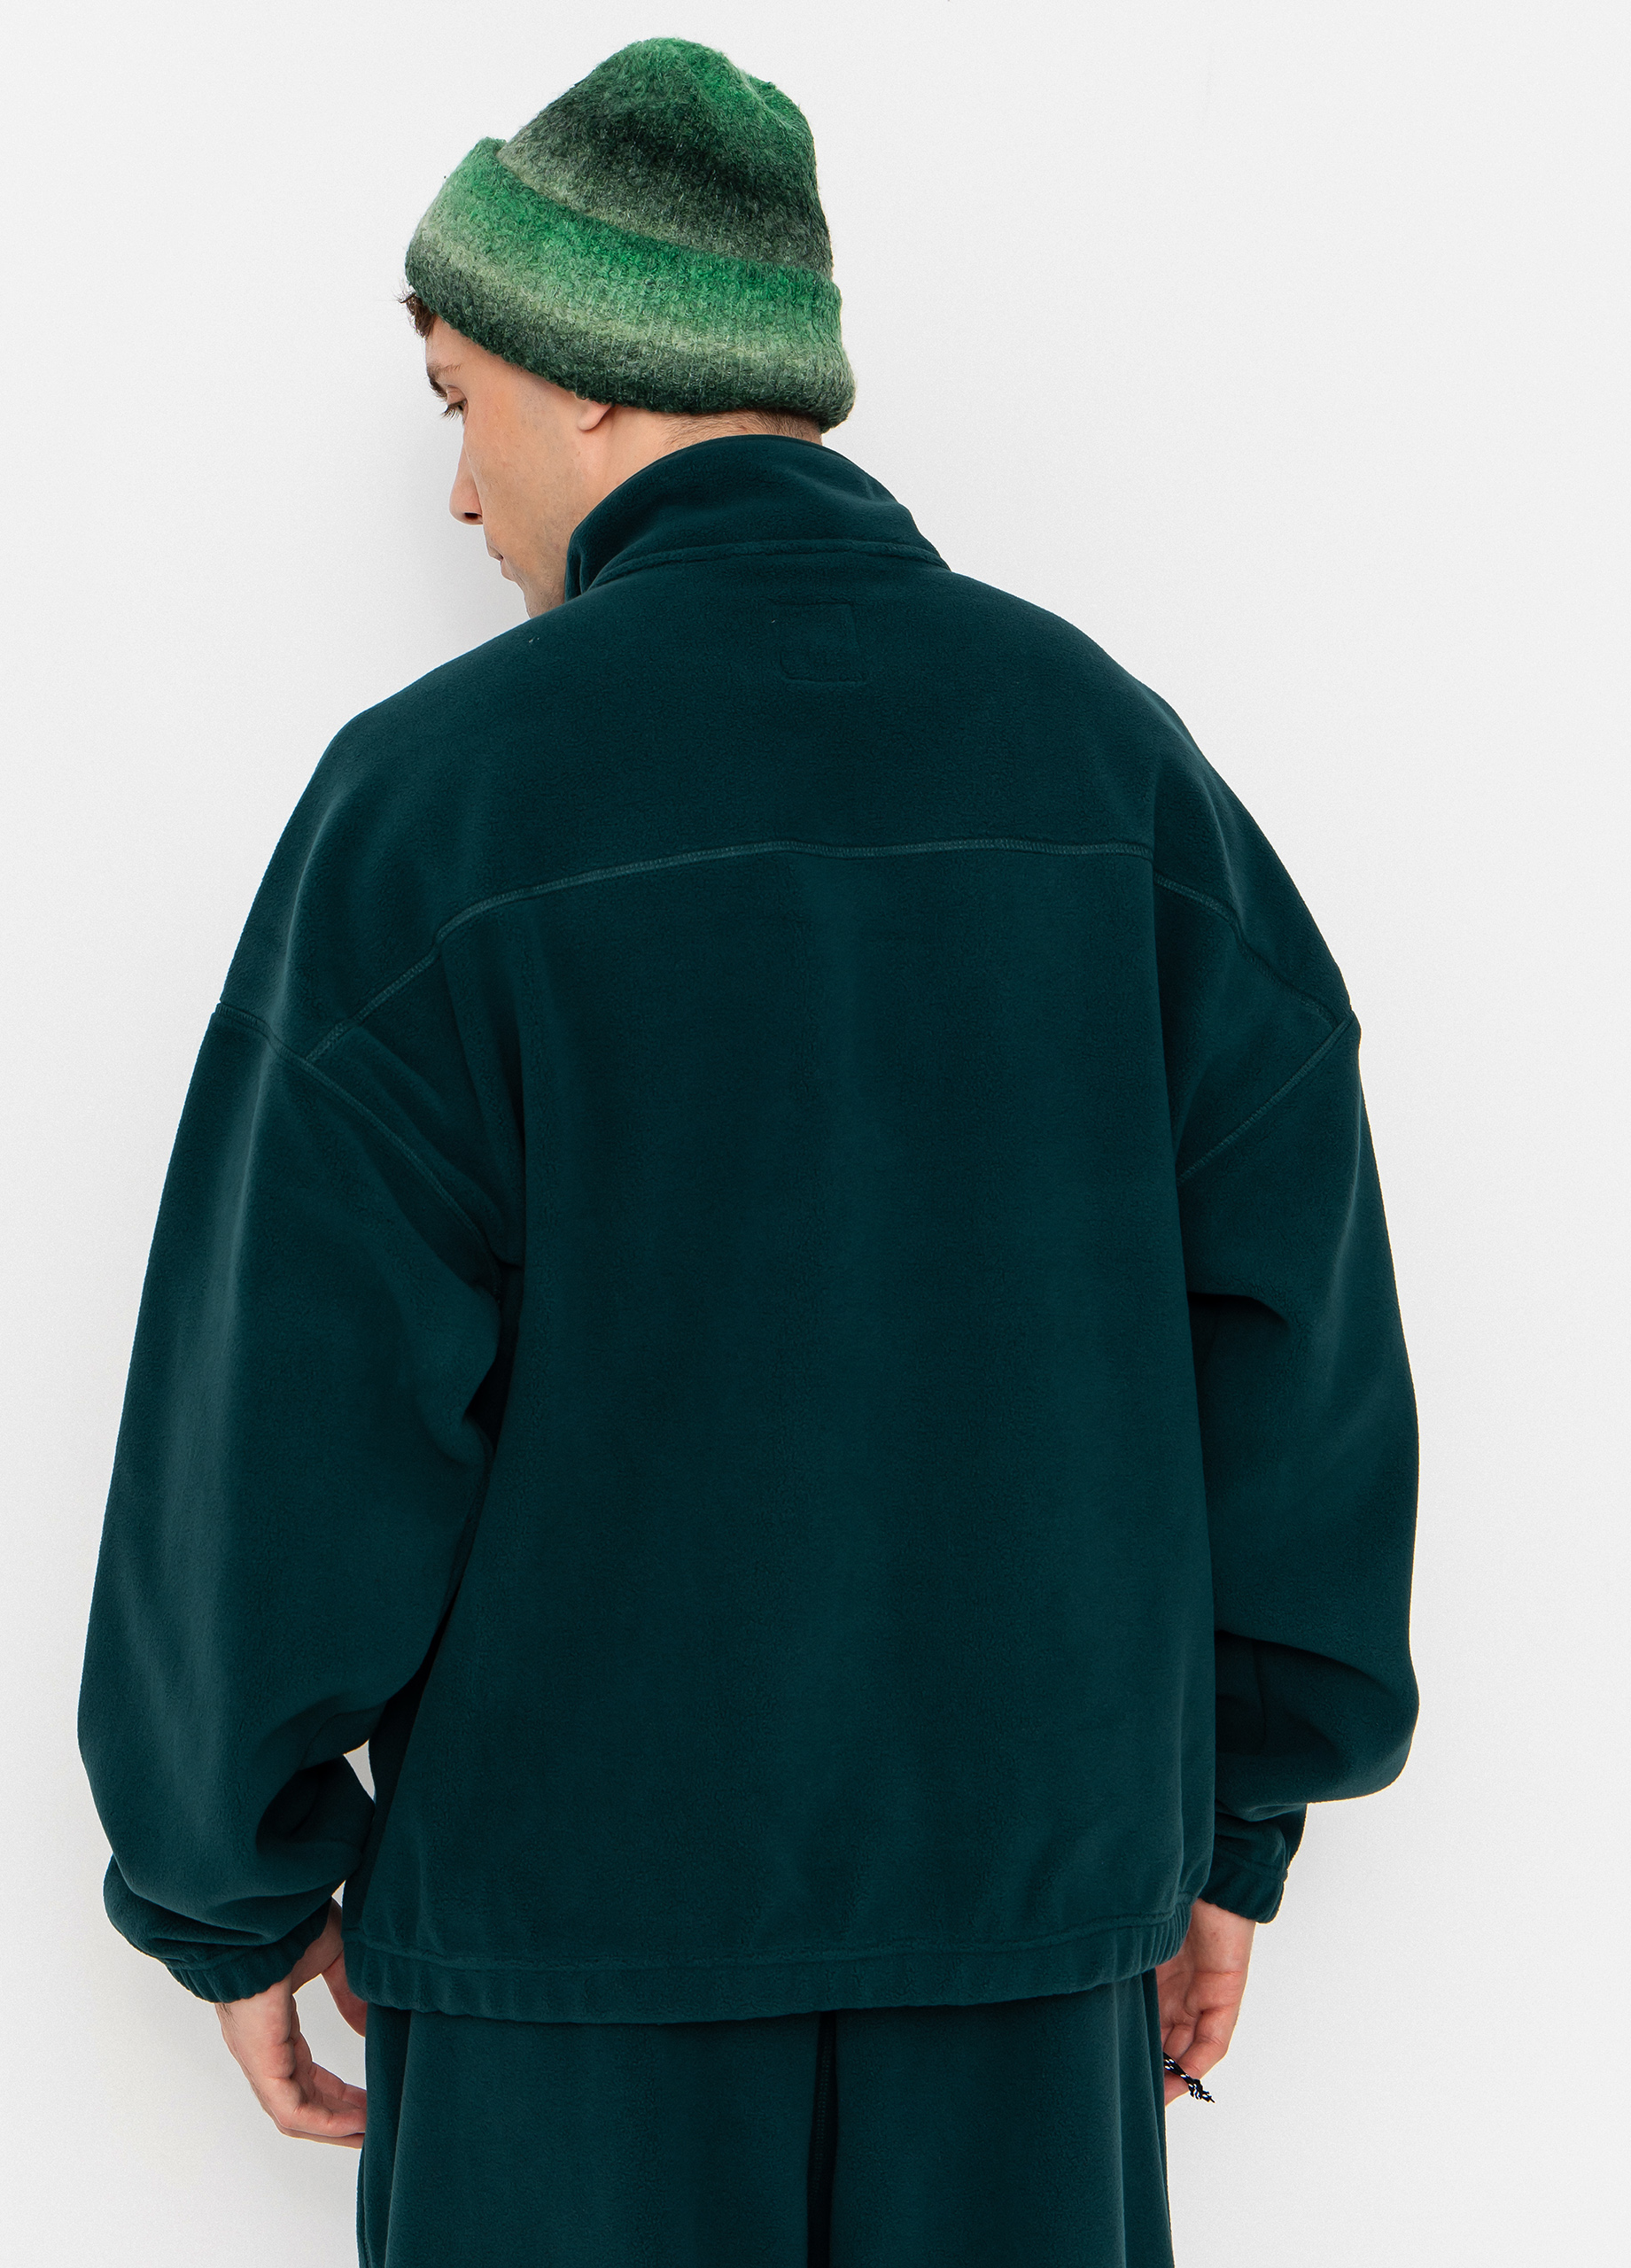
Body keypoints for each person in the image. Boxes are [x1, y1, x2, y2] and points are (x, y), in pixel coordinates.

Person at [77, 35, 1420, 2268]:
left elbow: (287, 1404)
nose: (459, 490)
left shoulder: (436, 806)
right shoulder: (1112, 767)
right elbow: (1300, 1323)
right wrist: (1236, 1816)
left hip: (566, 1987)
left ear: (599, 380)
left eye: (459, 401)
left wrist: (230, 1876)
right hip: (1028, 1964)